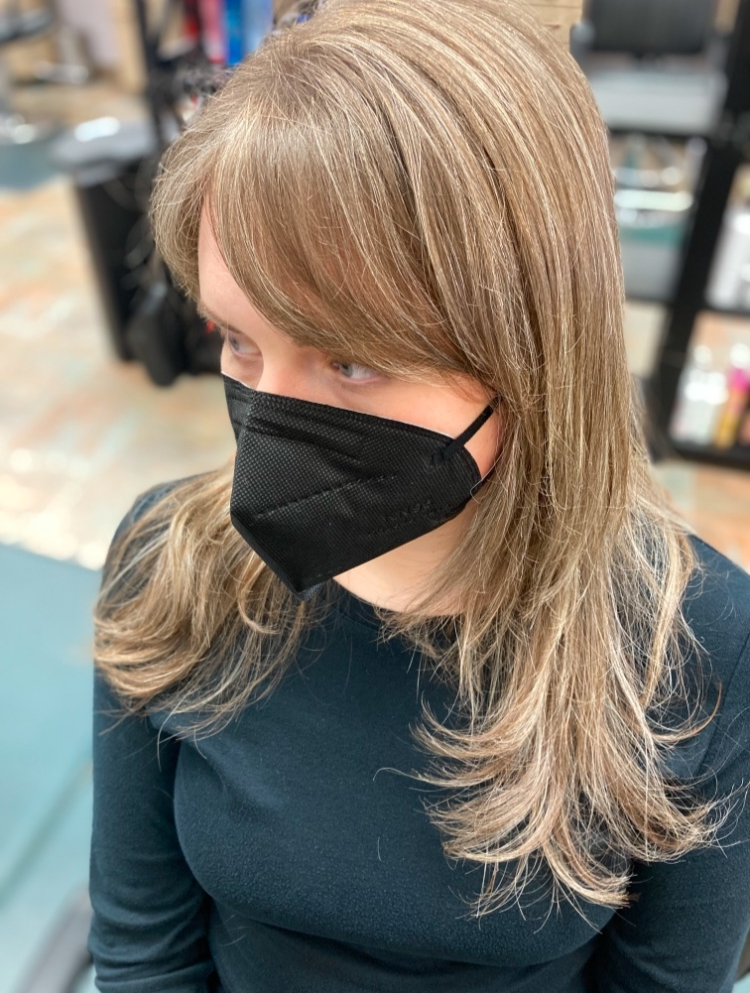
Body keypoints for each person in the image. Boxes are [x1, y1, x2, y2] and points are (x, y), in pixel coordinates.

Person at [88, 1, 750, 990]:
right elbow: (142, 949)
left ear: (529, 357)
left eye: (349, 359)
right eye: (238, 340)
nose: (266, 423)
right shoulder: (164, 567)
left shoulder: (695, 642)